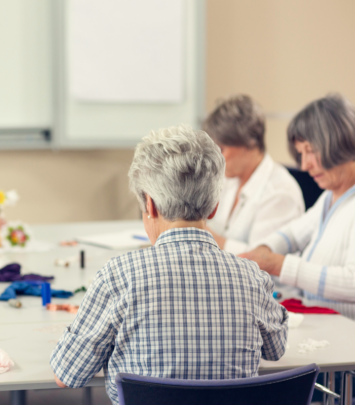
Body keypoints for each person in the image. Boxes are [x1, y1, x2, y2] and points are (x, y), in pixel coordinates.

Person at [50, 125, 288, 405]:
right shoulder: (252, 277)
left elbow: (66, 374)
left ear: (149, 205)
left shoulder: (119, 276)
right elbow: (276, 349)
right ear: (214, 206)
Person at [241, 94, 355, 319]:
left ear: (338, 141)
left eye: (310, 151)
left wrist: (280, 265)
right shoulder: (330, 196)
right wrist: (266, 249)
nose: (305, 165)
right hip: (323, 320)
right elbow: (293, 233)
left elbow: (351, 283)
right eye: (301, 154)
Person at [203, 94, 304, 254]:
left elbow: (265, 261)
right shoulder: (227, 179)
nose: (215, 157)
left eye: (221, 149)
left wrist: (204, 235)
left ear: (248, 143)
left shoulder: (281, 192)